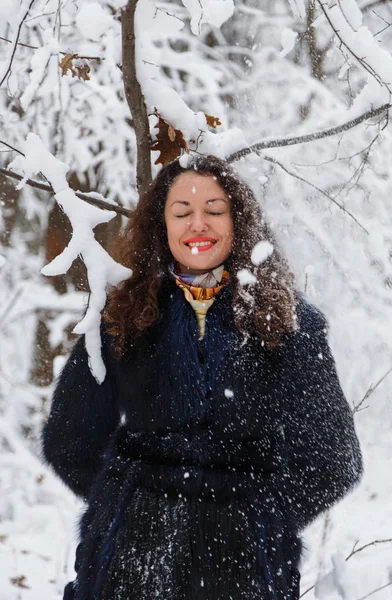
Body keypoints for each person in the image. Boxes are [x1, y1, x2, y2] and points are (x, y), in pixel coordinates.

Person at [42, 155, 363, 600]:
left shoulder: (290, 323)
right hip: (129, 573)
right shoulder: (120, 316)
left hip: (245, 573)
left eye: (214, 211)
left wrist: (258, 518)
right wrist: (127, 508)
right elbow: (68, 441)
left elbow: (333, 459)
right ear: (161, 225)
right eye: (182, 213)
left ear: (238, 221)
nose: (199, 225)